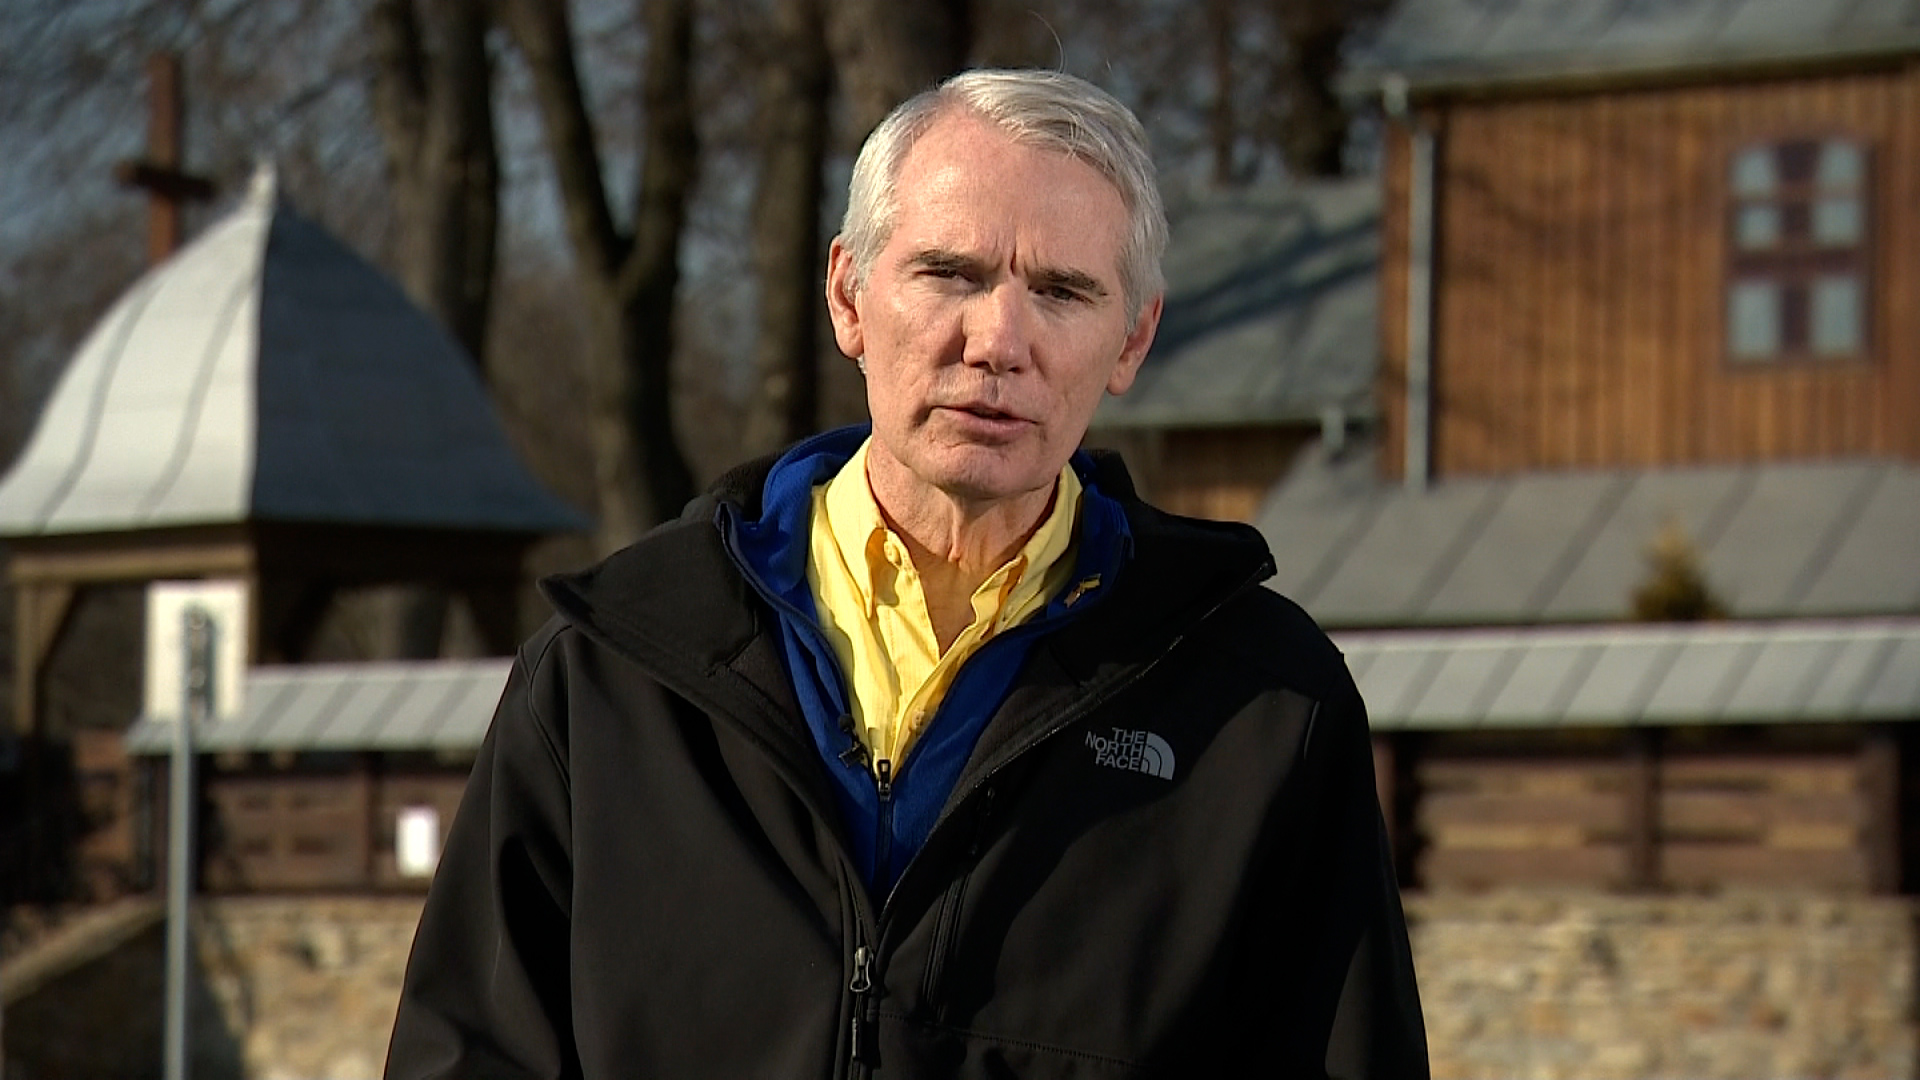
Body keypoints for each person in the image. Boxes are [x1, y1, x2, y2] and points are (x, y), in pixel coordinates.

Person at [384, 69, 1427, 1080]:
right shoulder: (609, 679)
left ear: (1132, 340)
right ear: (847, 295)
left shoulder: (1259, 707)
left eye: (1063, 291)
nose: (999, 341)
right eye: (951, 274)